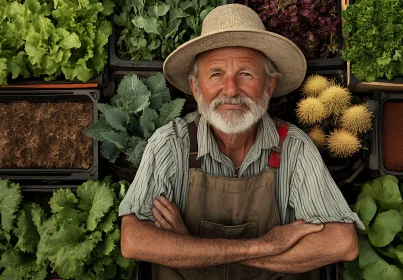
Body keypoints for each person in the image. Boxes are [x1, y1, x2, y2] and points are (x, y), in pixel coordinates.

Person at [119, 4, 364, 280]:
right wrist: (266, 245)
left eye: (246, 73)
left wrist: (190, 249)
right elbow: (134, 240)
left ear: (269, 86)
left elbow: (342, 242)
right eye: (216, 74)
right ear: (196, 88)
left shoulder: (293, 146)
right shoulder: (169, 143)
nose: (232, 90)